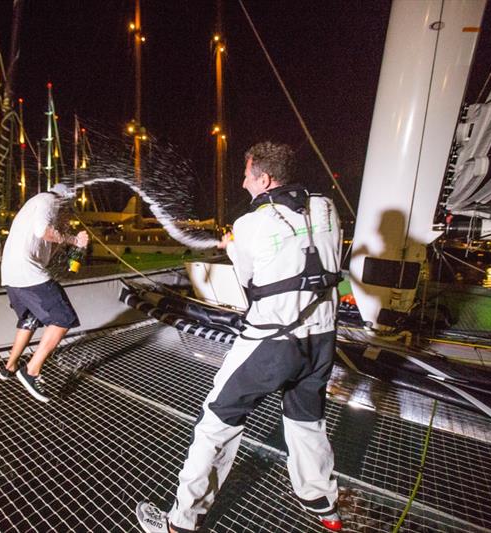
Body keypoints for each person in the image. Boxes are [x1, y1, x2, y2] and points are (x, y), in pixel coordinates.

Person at [136, 142, 343, 532]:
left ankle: (180, 522)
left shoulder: (250, 224)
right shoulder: (326, 207)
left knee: (216, 422)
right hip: (323, 340)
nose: (243, 182)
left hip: (272, 342)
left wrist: (233, 248)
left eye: (247, 175)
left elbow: (250, 281)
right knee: (307, 419)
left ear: (264, 178)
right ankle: (322, 503)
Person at [0, 182, 89, 403]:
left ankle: (9, 368)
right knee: (63, 318)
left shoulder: (36, 207)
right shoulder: (47, 201)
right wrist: (74, 239)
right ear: (63, 200)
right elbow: (44, 233)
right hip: (27, 273)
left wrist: (74, 246)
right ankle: (31, 371)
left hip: (11, 274)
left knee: (29, 319)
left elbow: (44, 243)